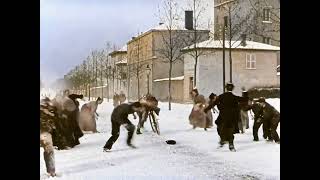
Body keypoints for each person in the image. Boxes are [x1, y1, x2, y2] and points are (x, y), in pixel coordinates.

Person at [214, 82, 248, 151]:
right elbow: (245, 99)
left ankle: (223, 140)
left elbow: (214, 103)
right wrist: (244, 92)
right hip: (232, 118)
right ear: (232, 89)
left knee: (220, 128)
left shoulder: (221, 96)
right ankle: (231, 145)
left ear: (226, 88)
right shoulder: (234, 97)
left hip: (223, 117)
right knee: (230, 131)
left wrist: (206, 109)